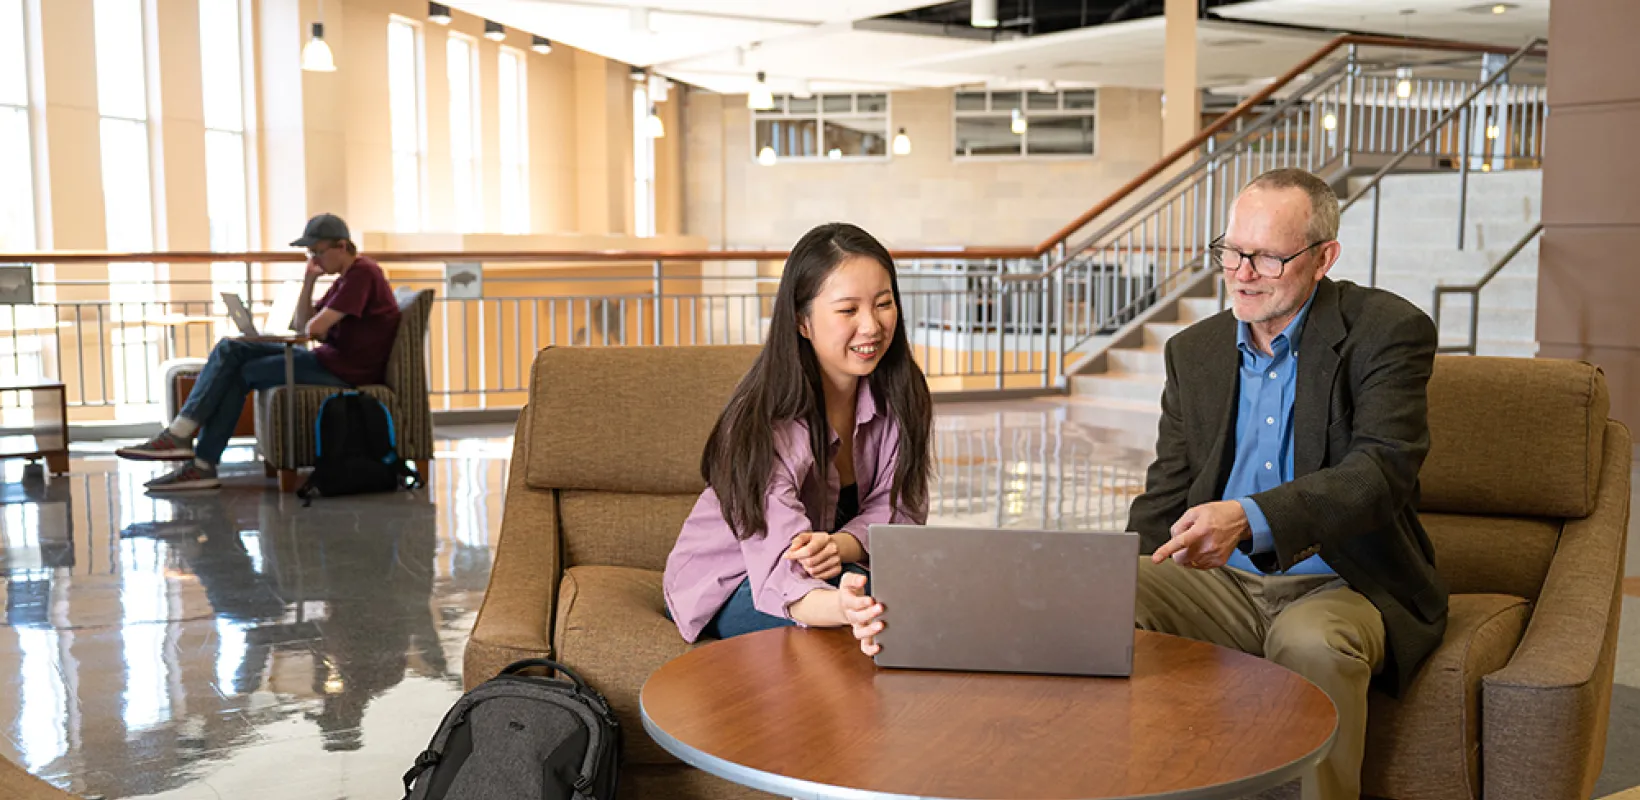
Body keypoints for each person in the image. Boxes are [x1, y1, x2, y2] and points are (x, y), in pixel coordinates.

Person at [663, 222, 933, 642]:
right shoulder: (763, 419)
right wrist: (845, 608)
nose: (872, 326)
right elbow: (779, 569)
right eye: (848, 310)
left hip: (832, 572)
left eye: (883, 303)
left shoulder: (901, 394)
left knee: (920, 598)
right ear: (802, 322)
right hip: (734, 582)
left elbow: (900, 509)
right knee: (881, 617)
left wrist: (841, 546)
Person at [116, 213, 402, 492]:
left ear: (342, 246)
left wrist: (314, 322)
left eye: (318, 252)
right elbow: (302, 324)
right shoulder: (344, 279)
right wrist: (309, 282)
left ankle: (195, 457)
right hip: (329, 359)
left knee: (243, 370)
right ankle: (186, 443)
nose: (314, 260)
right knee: (232, 348)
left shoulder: (363, 274)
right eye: (309, 254)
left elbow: (313, 330)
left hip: (344, 370)